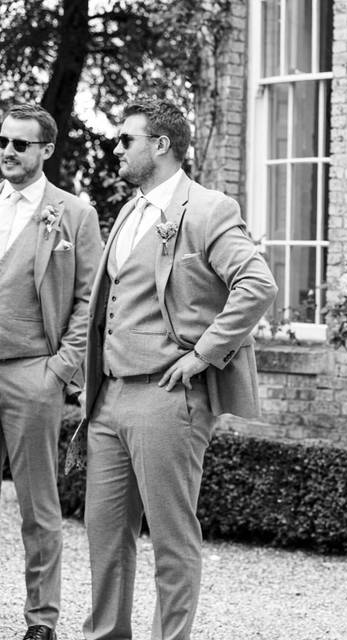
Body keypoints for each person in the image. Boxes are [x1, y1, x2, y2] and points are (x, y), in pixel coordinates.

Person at [80, 99, 277, 640]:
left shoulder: (210, 208)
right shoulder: (129, 210)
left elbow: (257, 285)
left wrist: (203, 353)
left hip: (167, 398)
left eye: (126, 140)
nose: (116, 149)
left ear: (160, 145)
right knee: (104, 535)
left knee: (171, 538)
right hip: (108, 397)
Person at [0, 104, 102, 640]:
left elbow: (91, 299)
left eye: (20, 144)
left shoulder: (73, 215)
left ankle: (41, 620)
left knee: (38, 508)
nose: (8, 152)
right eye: (3, 141)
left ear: (46, 150)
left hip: (32, 375)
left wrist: (60, 369)